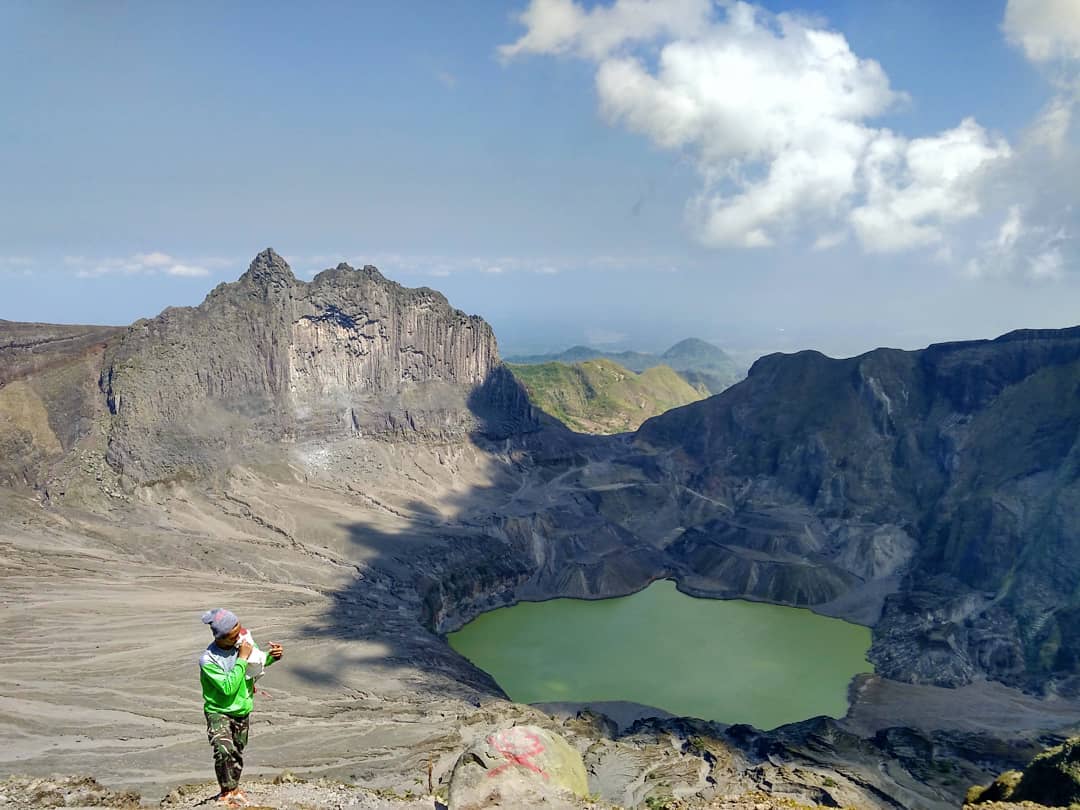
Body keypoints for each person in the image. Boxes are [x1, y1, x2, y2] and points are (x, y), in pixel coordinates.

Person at [199, 608, 284, 806]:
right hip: (218, 710)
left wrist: (273, 656)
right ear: (221, 637)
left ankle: (234, 788)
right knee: (223, 749)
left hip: (242, 710)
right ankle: (226, 791)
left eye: (240, 629)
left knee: (236, 751)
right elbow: (228, 688)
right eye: (233, 635)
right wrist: (242, 658)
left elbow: (257, 663)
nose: (240, 635)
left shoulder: (244, 643)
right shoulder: (209, 660)